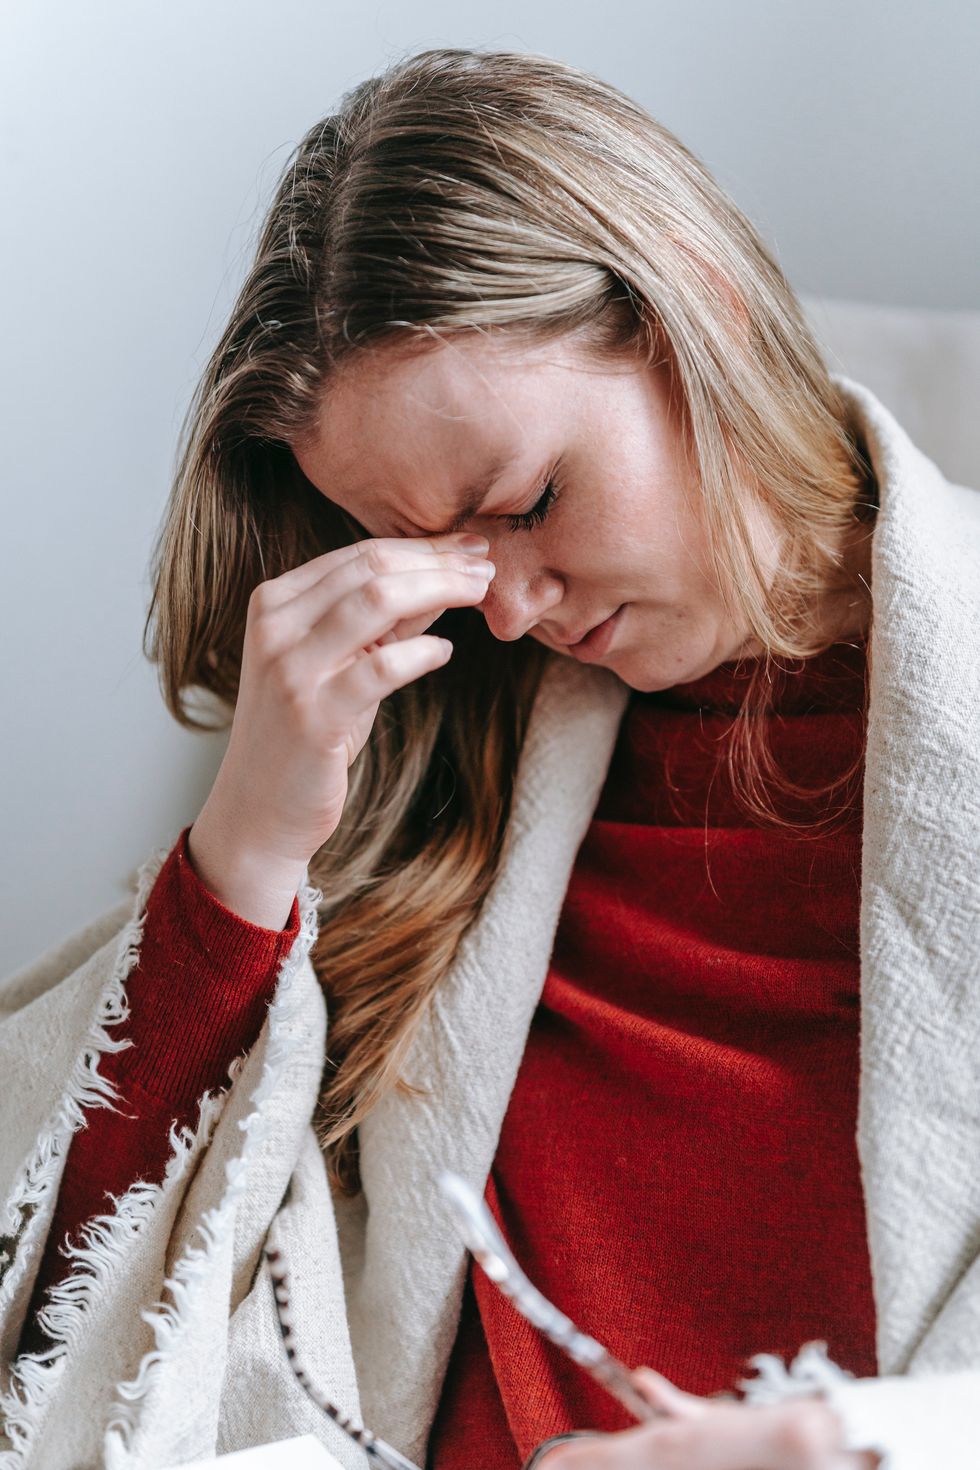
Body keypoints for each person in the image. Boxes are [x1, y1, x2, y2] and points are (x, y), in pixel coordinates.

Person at [1, 44, 978, 1470]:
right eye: (434, 560)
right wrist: (248, 852)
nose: (514, 608)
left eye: (527, 501)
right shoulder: (441, 738)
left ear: (690, 307)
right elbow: (64, 1291)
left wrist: (855, 1440)